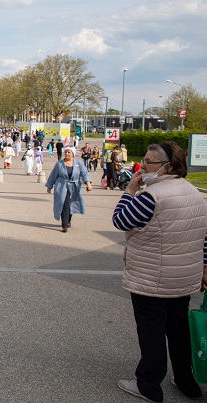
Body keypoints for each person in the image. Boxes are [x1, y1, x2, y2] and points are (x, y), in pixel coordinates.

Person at [112, 141, 207, 402]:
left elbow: (120, 219)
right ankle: (186, 379)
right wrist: (204, 266)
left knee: (151, 330)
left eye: (149, 162)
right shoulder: (193, 192)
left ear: (167, 167)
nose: (143, 166)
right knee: (178, 329)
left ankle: (148, 385)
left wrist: (129, 191)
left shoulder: (151, 196)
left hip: (152, 276)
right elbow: (204, 235)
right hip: (183, 275)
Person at [45, 147, 92, 232]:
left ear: (73, 154)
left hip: (74, 186)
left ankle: (68, 220)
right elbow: (53, 175)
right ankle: (64, 225)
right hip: (62, 186)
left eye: (69, 152)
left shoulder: (78, 163)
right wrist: (49, 186)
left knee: (71, 205)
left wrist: (88, 184)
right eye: (66, 152)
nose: (67, 154)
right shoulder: (59, 164)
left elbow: (85, 174)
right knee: (64, 204)